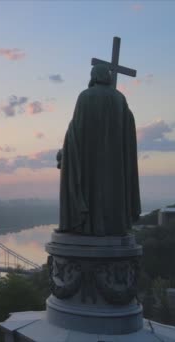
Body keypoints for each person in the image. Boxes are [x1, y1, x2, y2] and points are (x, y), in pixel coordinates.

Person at [58, 64, 141, 236]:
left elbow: (76, 132)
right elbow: (128, 130)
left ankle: (87, 225)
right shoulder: (120, 98)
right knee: (112, 190)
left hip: (89, 160)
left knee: (91, 188)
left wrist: (65, 153)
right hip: (115, 162)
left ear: (94, 76)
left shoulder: (85, 97)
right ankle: (113, 225)